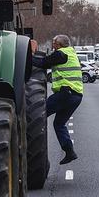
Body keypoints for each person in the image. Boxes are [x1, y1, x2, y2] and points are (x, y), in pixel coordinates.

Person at [31, 34, 81, 164]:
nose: (52, 45)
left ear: (58, 45)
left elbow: (42, 63)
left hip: (66, 93)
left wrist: (28, 57)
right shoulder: (71, 53)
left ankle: (32, 146)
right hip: (76, 96)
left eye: (53, 43)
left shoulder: (61, 54)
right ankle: (70, 152)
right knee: (58, 124)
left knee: (38, 115)